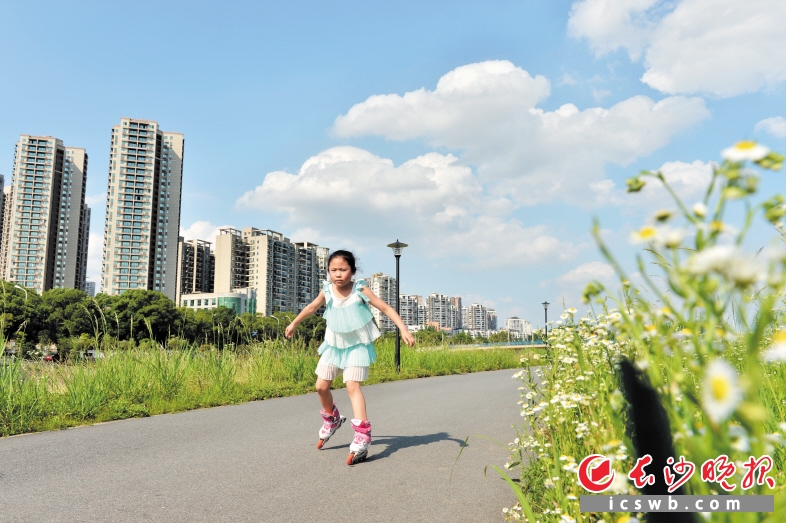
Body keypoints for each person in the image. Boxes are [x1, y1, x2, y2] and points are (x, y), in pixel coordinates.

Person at [285, 249, 415, 464]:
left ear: (353, 271)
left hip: (357, 346)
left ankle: (363, 436)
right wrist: (293, 323)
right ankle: (332, 419)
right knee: (321, 387)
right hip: (334, 345)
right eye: (333, 270)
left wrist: (404, 329)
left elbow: (385, 308)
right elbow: (311, 307)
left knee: (352, 385)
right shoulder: (326, 290)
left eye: (343, 269)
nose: (338, 274)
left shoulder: (360, 289)